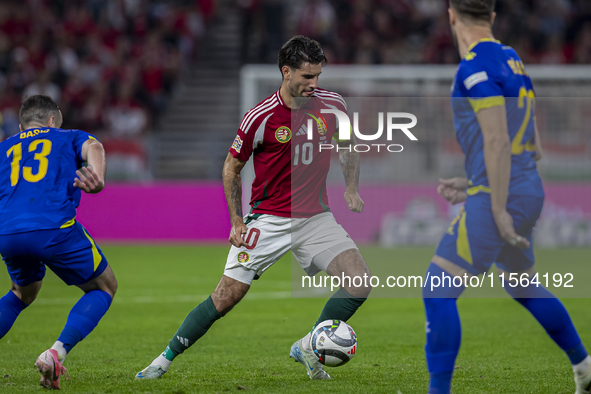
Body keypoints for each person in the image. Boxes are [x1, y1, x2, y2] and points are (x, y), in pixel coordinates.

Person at [136, 35, 371, 380]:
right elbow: (231, 167)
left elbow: (348, 147)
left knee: (360, 282)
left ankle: (308, 345)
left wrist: (351, 188)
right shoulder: (259, 118)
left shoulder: (333, 104)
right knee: (225, 296)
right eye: (307, 77)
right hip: (270, 219)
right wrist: (236, 220)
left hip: (316, 218)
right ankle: (163, 359)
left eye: (318, 76)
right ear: (286, 72)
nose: (314, 84)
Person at [422, 1, 591, 393]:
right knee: (522, 284)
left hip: (503, 195)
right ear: (492, 18)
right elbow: (529, 144)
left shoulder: (473, 67)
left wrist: (495, 206)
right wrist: (471, 183)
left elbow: (498, 138)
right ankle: (584, 366)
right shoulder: (512, 60)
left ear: (451, 15)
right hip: (527, 186)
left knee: (437, 288)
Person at [0, 95, 117, 390]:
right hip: (53, 228)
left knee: (23, 293)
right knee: (104, 287)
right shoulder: (68, 136)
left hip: (8, 232)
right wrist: (98, 178)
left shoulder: (5, 147)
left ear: (21, 125)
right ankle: (56, 352)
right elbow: (95, 147)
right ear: (53, 121)